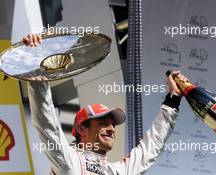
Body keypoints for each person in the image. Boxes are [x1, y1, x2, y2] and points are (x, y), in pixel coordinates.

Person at [24, 34, 189, 175]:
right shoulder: (70, 161)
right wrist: (38, 65)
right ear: (82, 129)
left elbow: (151, 146)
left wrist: (173, 99)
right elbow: (47, 125)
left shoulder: (117, 171)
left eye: (113, 124)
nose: (111, 129)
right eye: (103, 123)